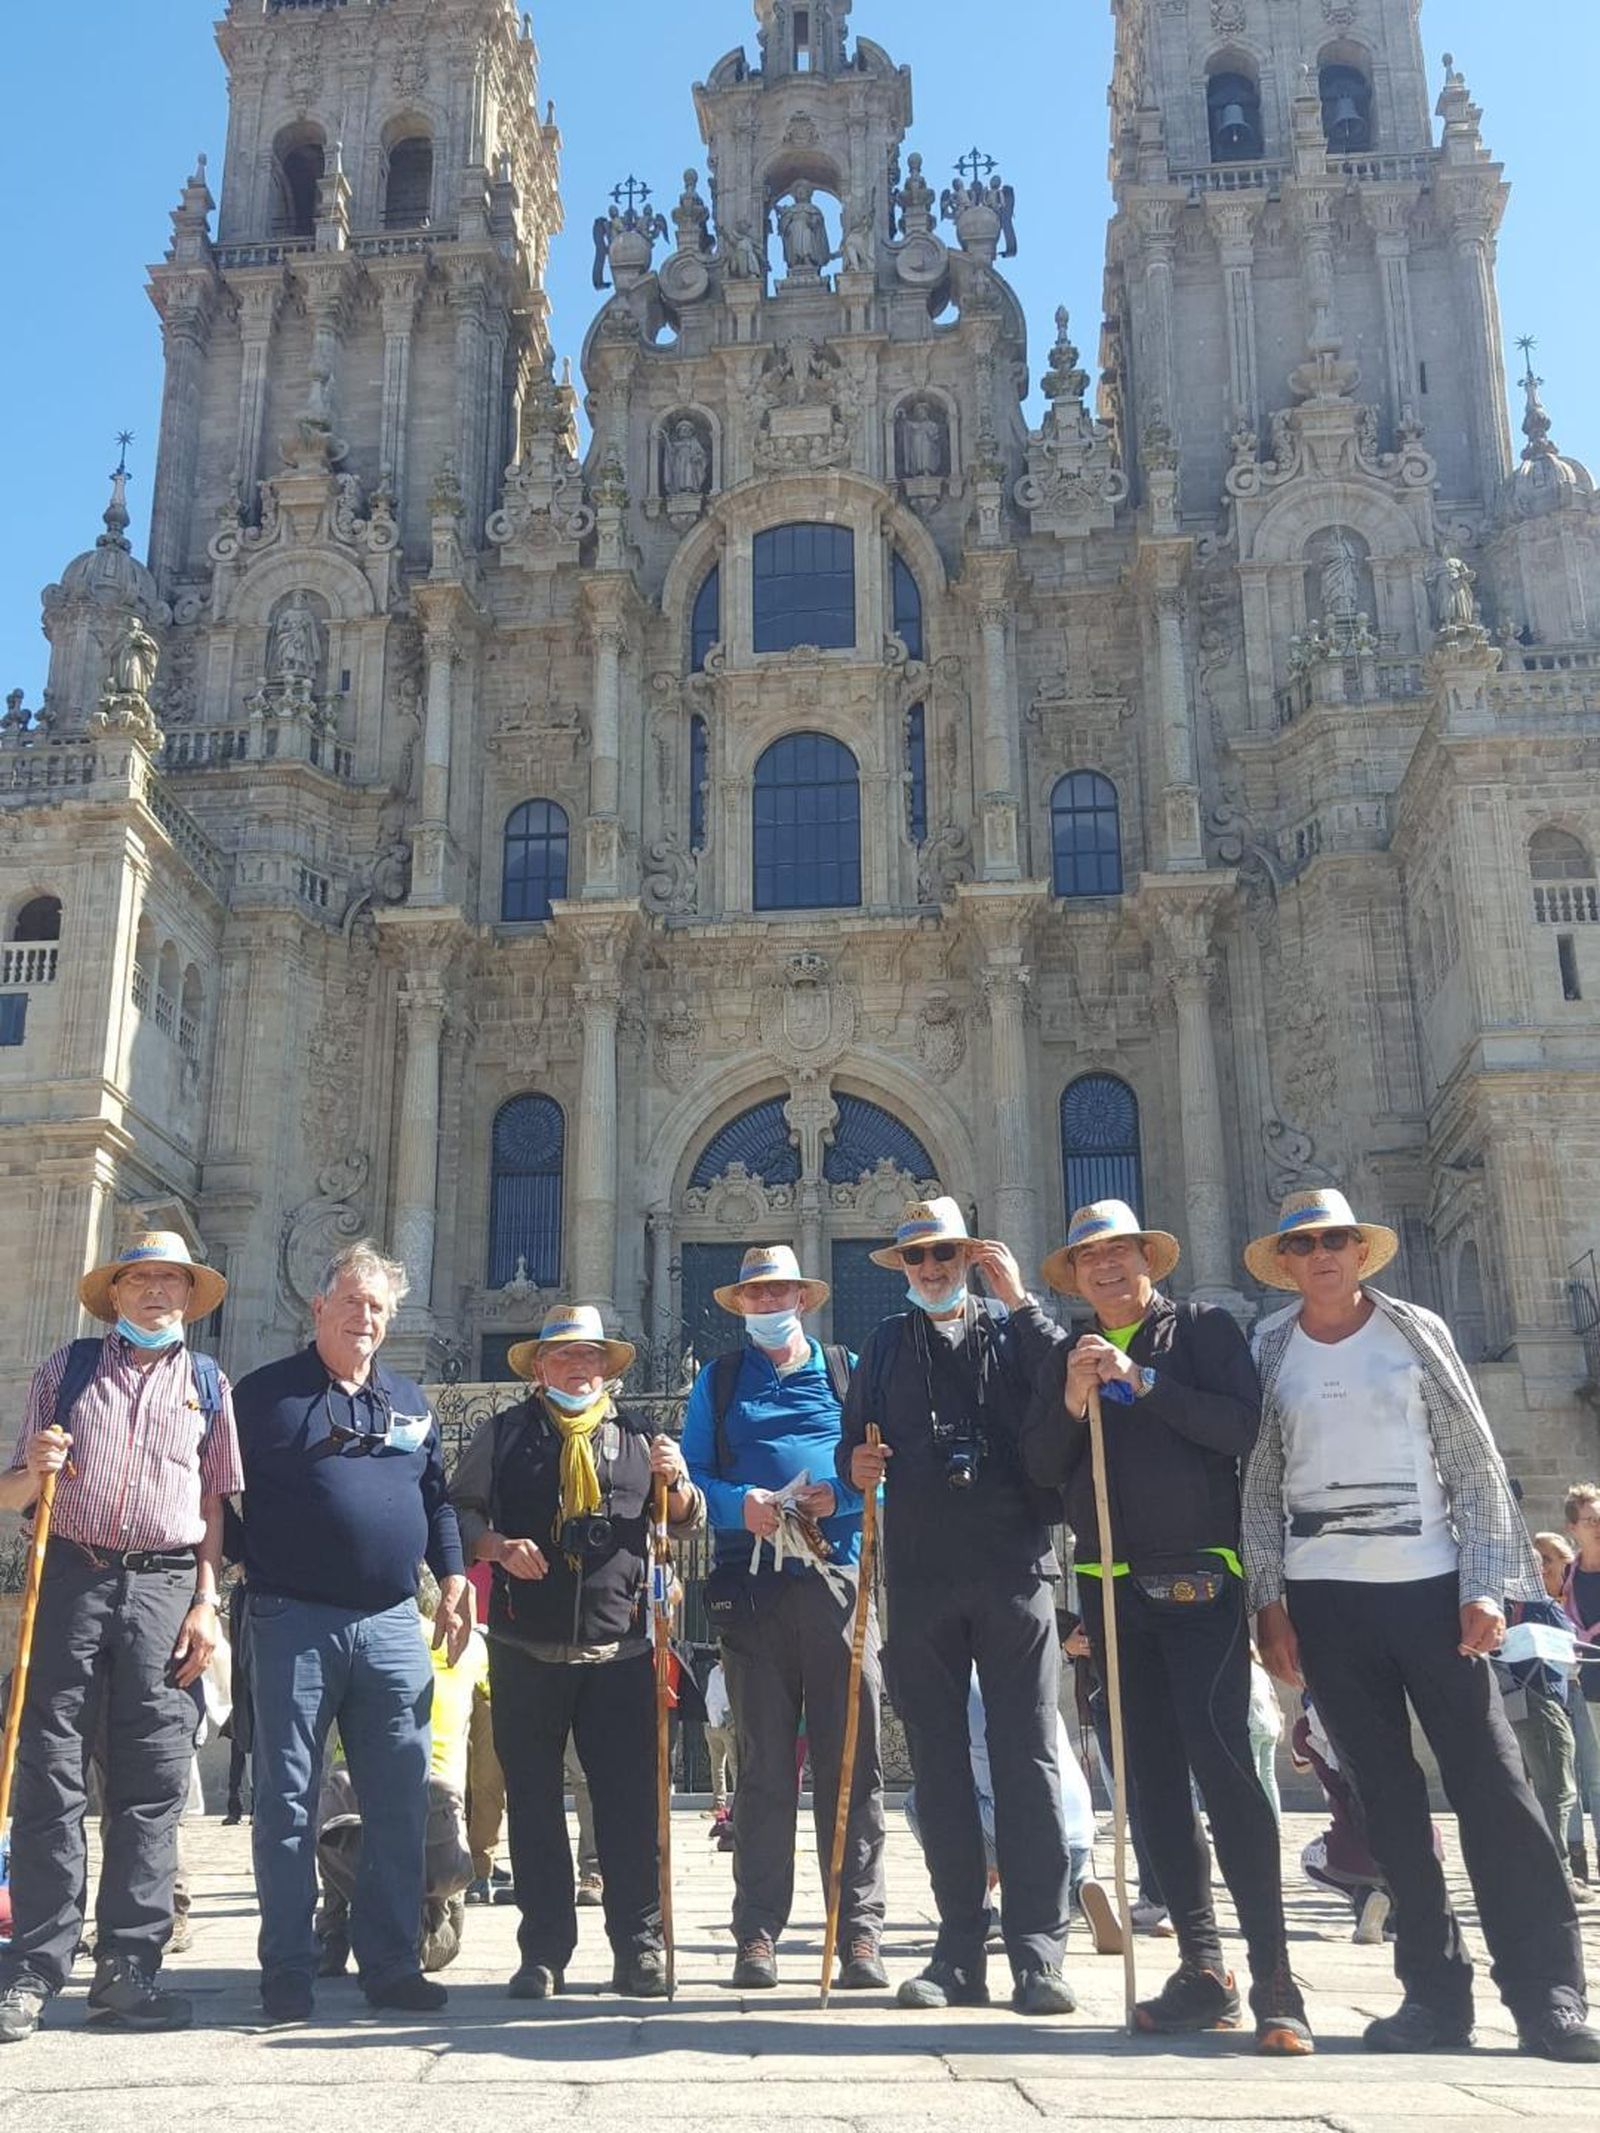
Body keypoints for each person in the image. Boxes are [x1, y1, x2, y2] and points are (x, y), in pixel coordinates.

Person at [1243, 1188, 1597, 2063]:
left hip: (1432, 1587)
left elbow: (1474, 1463)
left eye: (1336, 1238)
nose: (1321, 1252)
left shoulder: (1416, 1333)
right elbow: (1259, 1485)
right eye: (1304, 1242)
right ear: (1285, 1261)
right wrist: (1268, 1598)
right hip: (1325, 1595)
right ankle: (1434, 1996)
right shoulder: (1268, 1347)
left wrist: (1484, 1583)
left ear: (1360, 1251)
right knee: (1386, 1805)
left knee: (1497, 1788)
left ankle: (1548, 1994)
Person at [1022, 1199, 1310, 2056]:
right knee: (1150, 1788)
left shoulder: (1205, 1330)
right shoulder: (1065, 1357)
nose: (1106, 1268)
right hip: (1110, 1591)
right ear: (1073, 1277)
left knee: (1227, 1777)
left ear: (1151, 1259)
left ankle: (1276, 1977)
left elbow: (1238, 1429)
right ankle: (1202, 1968)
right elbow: (1041, 1473)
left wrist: (1140, 1383)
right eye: (1089, 1259)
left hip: (1199, 1587)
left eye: (1121, 1252)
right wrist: (1075, 1399)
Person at [0, 1232, 240, 2046]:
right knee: (50, 1773)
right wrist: (35, 1467)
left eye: (171, 1282)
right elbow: (11, 1495)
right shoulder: (63, 1372)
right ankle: (34, 1966)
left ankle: (129, 1967)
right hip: (70, 1573)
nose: (157, 1294)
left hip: (168, 1587)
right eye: (141, 1279)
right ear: (115, 1294)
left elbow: (213, 1506)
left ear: (188, 1297)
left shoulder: (209, 1383)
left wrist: (208, 1601)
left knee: (152, 1780)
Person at [839, 1197, 1076, 2017]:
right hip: (923, 1576)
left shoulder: (1013, 1332)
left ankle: (1040, 1952)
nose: (931, 1269)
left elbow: (1069, 1377)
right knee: (939, 1770)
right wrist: (860, 1463)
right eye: (916, 1258)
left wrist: (1020, 1299)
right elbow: (849, 1445)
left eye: (944, 1253)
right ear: (902, 1268)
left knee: (1028, 1760)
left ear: (970, 1257)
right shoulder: (882, 1346)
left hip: (1016, 1569)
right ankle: (958, 1949)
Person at [234, 1239, 470, 2027]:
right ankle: (289, 1971)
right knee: (289, 1799)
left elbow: (437, 1499)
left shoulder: (409, 1401)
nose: (364, 1317)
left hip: (392, 1623)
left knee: (400, 1799)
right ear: (319, 1306)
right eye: (351, 1301)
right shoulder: (263, 1396)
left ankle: (393, 1963)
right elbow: (213, 1493)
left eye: (377, 1306)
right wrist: (252, 1561)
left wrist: (456, 1574)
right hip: (292, 1618)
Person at [449, 1304, 703, 2000]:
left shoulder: (638, 1437)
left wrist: (678, 1484)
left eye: (591, 1355)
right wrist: (497, 1547)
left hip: (619, 1650)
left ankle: (640, 1945)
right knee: (532, 1803)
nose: (580, 1366)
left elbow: (683, 1522)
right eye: (564, 1355)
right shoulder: (500, 1436)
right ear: (539, 1367)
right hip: (523, 1645)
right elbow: (457, 1511)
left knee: (629, 1806)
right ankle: (544, 1951)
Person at [683, 1244, 886, 1992]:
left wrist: (845, 1494)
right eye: (756, 1296)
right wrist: (747, 1507)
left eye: (780, 1294)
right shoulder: (719, 1380)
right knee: (765, 1770)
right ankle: (757, 1935)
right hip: (755, 1593)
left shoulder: (847, 1369)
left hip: (837, 1585)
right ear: (742, 1306)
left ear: (803, 1298)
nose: (769, 1305)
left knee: (852, 1770)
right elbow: (695, 1479)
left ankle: (858, 1934)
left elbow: (884, 1470)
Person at [903, 1668, 1121, 1958]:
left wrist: (979, 1864)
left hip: (1025, 1834)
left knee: (922, 1801)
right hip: (1077, 1833)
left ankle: (982, 1911)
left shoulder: (967, 1691)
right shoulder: (1024, 1672)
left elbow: (991, 1796)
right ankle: (1073, 1890)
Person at [1559, 1484, 1600, 1884]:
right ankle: (1577, 1860)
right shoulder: (1570, 1575)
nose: (1598, 1526)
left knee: (1599, 1775)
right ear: (1574, 1528)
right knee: (1574, 1771)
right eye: (1590, 1521)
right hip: (1577, 1680)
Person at [704, 1658, 736, 1824]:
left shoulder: (734, 1673)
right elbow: (710, 1695)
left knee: (734, 1766)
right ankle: (718, 1803)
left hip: (728, 1726)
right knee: (716, 1767)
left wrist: (729, 1720)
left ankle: (739, 1803)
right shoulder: (714, 1672)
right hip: (712, 1724)